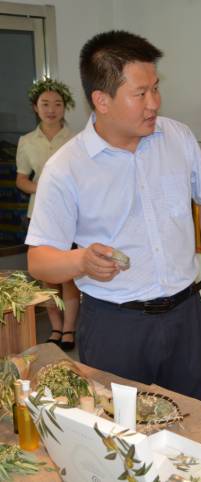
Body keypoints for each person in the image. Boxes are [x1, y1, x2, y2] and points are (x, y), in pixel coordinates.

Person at [26, 30, 201, 402]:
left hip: (186, 315)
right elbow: (38, 260)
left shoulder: (177, 137)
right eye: (140, 93)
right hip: (115, 326)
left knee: (194, 422)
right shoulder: (67, 167)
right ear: (101, 100)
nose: (154, 103)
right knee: (120, 431)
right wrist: (81, 261)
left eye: (156, 88)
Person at [16, 77, 80, 351]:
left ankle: (70, 328)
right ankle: (55, 326)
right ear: (35, 107)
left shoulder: (77, 139)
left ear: (65, 107)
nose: (51, 109)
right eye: (45, 104)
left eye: (57, 104)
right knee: (47, 275)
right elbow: (21, 179)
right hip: (39, 215)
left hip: (71, 215)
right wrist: (42, 189)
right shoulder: (27, 141)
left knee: (69, 274)